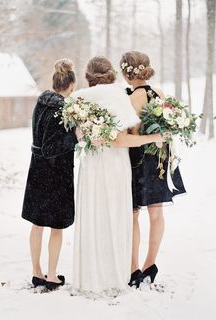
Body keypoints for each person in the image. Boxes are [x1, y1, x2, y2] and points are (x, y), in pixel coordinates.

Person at [72, 56, 165, 295]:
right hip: (114, 165)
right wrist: (152, 138)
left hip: (91, 166)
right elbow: (120, 139)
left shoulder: (78, 98)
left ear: (88, 75)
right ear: (112, 73)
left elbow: (77, 134)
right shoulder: (118, 97)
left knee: (92, 215)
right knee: (115, 217)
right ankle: (115, 275)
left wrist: (87, 136)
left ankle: (89, 276)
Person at [120, 51, 186, 288]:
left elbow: (128, 134)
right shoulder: (158, 92)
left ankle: (133, 269)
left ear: (127, 74)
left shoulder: (134, 98)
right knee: (156, 213)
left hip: (140, 159)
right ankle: (150, 265)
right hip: (160, 157)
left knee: (133, 215)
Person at [22, 59, 77, 291]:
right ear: (71, 86)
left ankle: (37, 272)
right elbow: (53, 146)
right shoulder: (62, 109)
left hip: (37, 169)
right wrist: (76, 136)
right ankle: (52, 275)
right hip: (57, 173)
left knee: (37, 224)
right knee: (56, 226)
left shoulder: (41, 102)